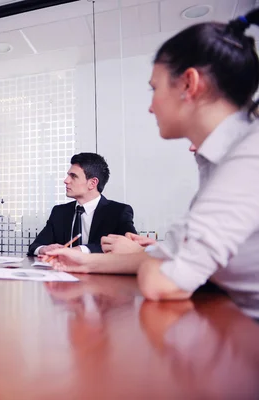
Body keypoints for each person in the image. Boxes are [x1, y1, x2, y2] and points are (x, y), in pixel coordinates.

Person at [43, 9, 259, 320]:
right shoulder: (219, 160)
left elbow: (163, 282)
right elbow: (172, 257)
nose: (150, 106)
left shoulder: (249, 155)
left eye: (154, 88)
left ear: (188, 84)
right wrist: (83, 261)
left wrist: (147, 255)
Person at [27, 152, 137, 255]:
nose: (66, 180)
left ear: (92, 183)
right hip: (61, 272)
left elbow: (131, 246)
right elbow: (35, 246)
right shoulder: (59, 212)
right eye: (68, 175)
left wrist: (82, 250)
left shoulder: (118, 212)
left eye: (73, 176)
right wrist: (43, 249)